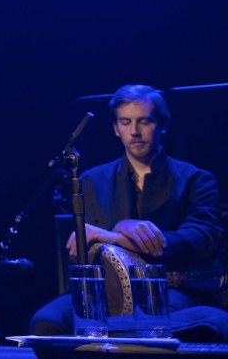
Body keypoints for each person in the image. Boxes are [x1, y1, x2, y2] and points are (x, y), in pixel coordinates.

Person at [30, 84, 225, 335]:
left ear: (162, 125)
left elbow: (200, 239)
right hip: (106, 289)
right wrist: (103, 237)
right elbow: (85, 249)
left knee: (136, 321)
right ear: (115, 128)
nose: (134, 131)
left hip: (173, 286)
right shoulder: (91, 181)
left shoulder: (196, 179)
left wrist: (115, 234)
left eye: (144, 121)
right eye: (125, 122)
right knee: (46, 322)